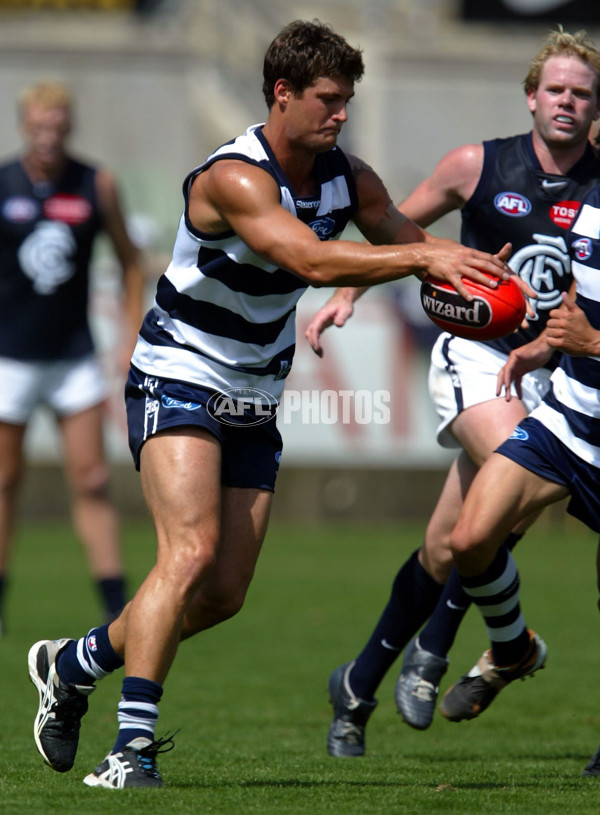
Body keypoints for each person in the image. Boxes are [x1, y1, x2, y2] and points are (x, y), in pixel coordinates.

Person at [25, 20, 513, 790]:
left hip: (255, 387)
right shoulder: (234, 177)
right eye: (327, 98)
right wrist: (426, 254)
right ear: (281, 93)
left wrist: (479, 281)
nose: (341, 113)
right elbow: (309, 259)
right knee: (185, 553)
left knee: (222, 593)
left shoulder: (346, 176)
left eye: (348, 99)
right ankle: (130, 752)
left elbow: (401, 236)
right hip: (178, 372)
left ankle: (75, 662)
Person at [304, 26, 600, 756]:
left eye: (582, 94)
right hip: (475, 353)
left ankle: (360, 679)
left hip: (554, 372)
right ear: (531, 96)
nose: (567, 102)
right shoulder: (479, 164)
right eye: (555, 89)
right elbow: (398, 226)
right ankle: (468, 647)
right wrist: (347, 292)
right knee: (507, 479)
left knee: (449, 542)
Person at [444, 182, 600, 777]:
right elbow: (579, 293)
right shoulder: (588, 203)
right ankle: (512, 648)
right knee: (469, 539)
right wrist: (547, 344)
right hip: (567, 417)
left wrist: (593, 343)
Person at [0, 80, 144, 632]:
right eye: (39, 126)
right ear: (24, 126)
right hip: (10, 355)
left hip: (73, 355)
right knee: (5, 480)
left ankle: (115, 605)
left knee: (91, 479)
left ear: (69, 127)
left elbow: (132, 262)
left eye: (57, 126)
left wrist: (129, 333)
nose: (48, 136)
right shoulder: (3, 183)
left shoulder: (95, 183)